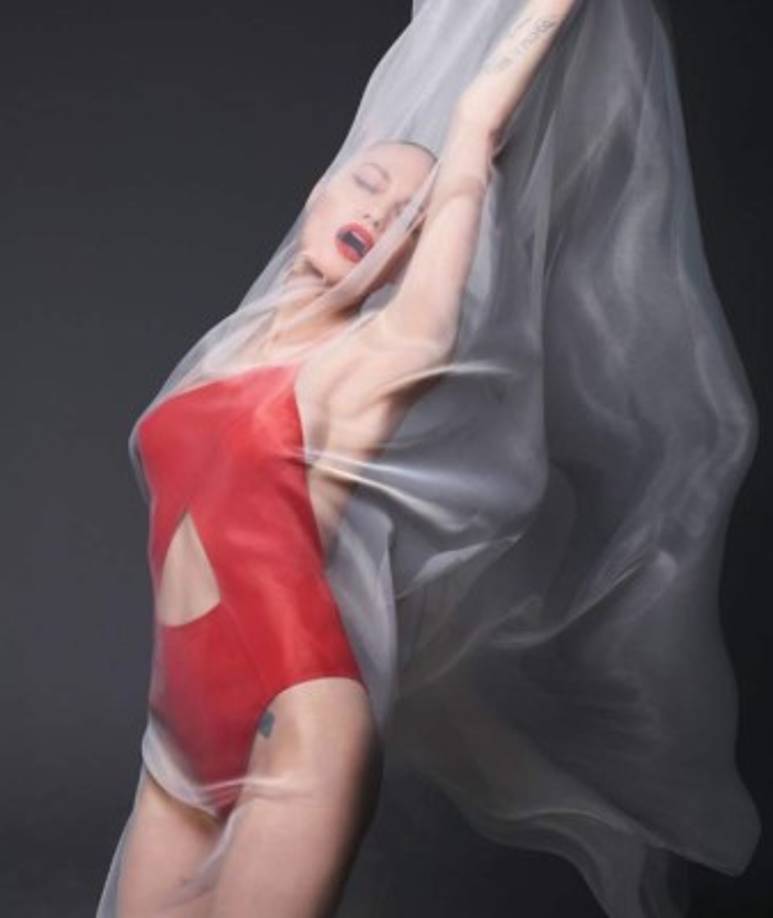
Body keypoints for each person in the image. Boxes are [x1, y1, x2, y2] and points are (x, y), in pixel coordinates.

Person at [97, 1, 761, 916]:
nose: (381, 212)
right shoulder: (230, 345)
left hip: (296, 730)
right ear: (319, 190)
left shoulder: (370, 364)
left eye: (410, 217)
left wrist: (532, 35)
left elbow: (475, 120)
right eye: (369, 183)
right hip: (174, 744)